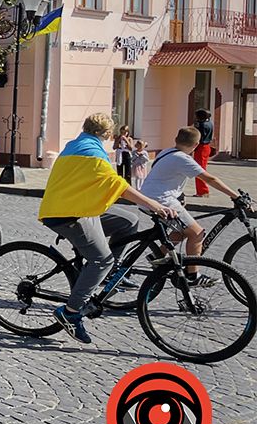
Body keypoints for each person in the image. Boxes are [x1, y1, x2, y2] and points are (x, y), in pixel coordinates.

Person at [40, 113, 174, 344]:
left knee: (129, 221)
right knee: (101, 260)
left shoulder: (77, 144)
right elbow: (118, 185)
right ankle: (70, 313)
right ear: (108, 135)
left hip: (77, 206)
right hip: (65, 213)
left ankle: (107, 274)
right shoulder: (91, 152)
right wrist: (154, 205)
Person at [140, 126, 243, 276]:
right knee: (196, 233)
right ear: (196, 145)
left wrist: (179, 195)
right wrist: (236, 196)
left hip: (148, 197)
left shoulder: (166, 152)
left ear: (176, 139)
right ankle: (193, 275)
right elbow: (210, 179)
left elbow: (165, 177)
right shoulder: (183, 158)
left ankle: (157, 256)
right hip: (161, 200)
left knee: (182, 231)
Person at [192, 109, 214, 197]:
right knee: (201, 168)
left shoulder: (201, 125)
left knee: (199, 170)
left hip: (201, 147)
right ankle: (202, 190)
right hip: (207, 147)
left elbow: (197, 136)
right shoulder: (210, 123)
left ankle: (203, 191)